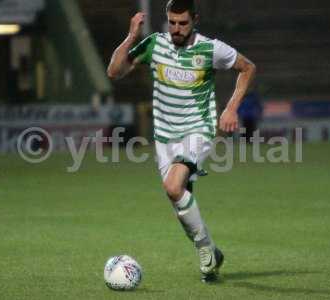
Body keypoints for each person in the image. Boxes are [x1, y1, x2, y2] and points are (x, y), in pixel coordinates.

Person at [107, 0, 256, 282]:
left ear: (195, 20)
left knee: (173, 186)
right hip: (164, 137)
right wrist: (131, 37)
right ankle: (211, 250)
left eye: (183, 23)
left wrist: (231, 107)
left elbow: (248, 68)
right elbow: (114, 72)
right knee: (177, 196)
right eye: (172, 23)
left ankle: (205, 252)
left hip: (198, 130)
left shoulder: (211, 48)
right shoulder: (155, 45)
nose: (176, 29)